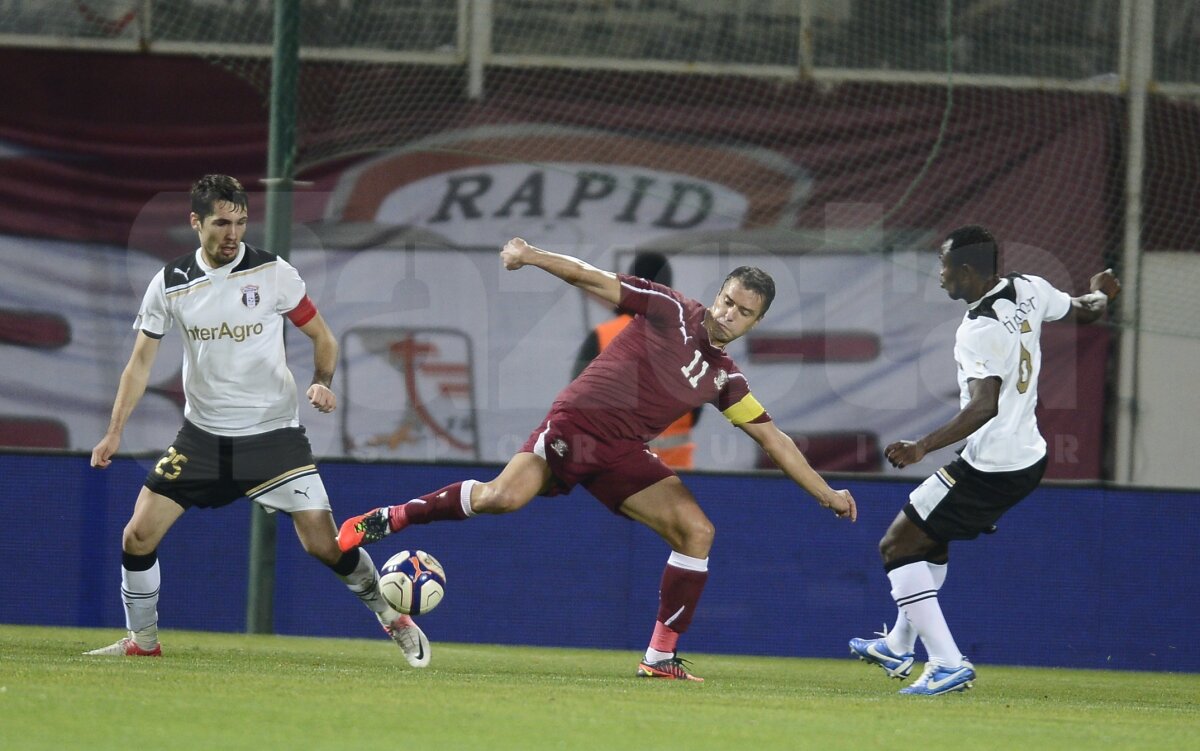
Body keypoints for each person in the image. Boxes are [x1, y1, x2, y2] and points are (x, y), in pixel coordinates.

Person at [337, 236, 857, 681]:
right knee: (502, 498)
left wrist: (828, 494)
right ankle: (391, 518)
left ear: (757, 321)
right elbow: (594, 279)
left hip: (623, 453)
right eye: (726, 301)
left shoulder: (724, 378)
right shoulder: (672, 310)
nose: (727, 314)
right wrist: (529, 254)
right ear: (716, 294)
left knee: (697, 533)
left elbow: (775, 440)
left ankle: (660, 658)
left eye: (743, 312)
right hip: (577, 427)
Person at [86, 174, 430, 667]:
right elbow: (140, 363)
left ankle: (391, 616)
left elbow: (324, 339)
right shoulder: (170, 284)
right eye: (221, 222)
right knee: (136, 535)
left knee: (325, 545)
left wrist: (322, 382)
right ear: (195, 222)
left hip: (273, 438)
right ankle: (143, 642)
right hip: (202, 438)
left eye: (241, 222)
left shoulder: (274, 273)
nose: (233, 233)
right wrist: (115, 429)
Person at [849, 225, 1120, 696]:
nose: (939, 276)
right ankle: (897, 644)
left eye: (943, 265)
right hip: (1024, 455)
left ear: (967, 270)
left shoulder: (977, 330)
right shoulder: (1029, 288)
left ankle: (947, 663)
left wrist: (921, 447)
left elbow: (983, 405)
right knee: (926, 539)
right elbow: (1085, 311)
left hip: (992, 463)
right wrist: (1100, 293)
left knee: (897, 547)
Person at [572, 251, 701, 470]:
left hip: (616, 471)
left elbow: (576, 406)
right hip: (676, 472)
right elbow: (695, 410)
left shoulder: (602, 337)